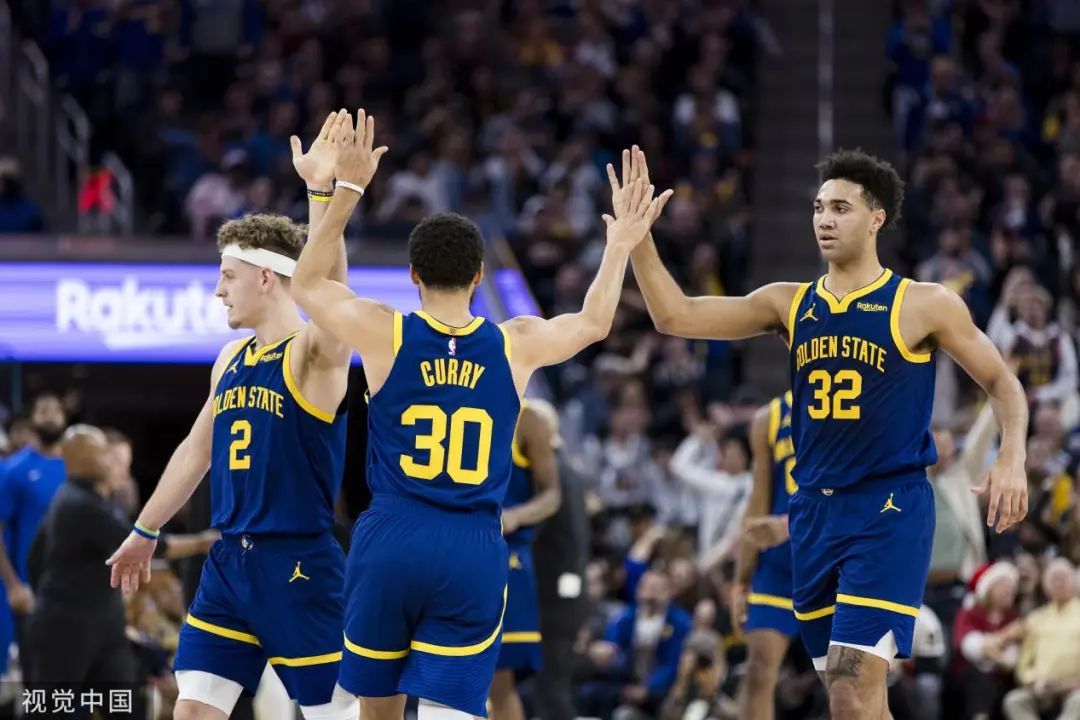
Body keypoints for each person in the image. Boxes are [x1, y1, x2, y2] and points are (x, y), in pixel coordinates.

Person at [288, 110, 672, 719]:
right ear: (479, 275)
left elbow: (308, 285)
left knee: (376, 710)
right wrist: (620, 242)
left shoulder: (386, 332)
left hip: (391, 537)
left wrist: (345, 190)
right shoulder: (515, 343)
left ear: (412, 275)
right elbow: (594, 322)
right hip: (471, 543)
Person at [625, 145, 1029, 719]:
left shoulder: (922, 304)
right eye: (818, 208)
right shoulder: (789, 303)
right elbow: (675, 316)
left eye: (840, 208)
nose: (824, 219)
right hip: (813, 511)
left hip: (887, 509)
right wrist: (638, 237)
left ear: (876, 218)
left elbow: (1002, 382)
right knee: (857, 700)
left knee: (850, 690)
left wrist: (1011, 457)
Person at [106, 111, 358, 720]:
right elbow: (197, 451)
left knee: (335, 716)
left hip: (298, 563)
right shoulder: (230, 359)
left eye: (227, 276)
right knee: (192, 710)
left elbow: (333, 299)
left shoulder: (311, 353)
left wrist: (322, 193)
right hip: (229, 563)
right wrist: (145, 529)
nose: (218, 291)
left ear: (267, 278)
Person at [25, 425, 215, 691]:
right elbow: (144, 545)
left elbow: (34, 557)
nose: (117, 467)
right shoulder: (78, 503)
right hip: (68, 623)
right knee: (57, 704)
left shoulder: (96, 500)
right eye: (107, 456)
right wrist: (202, 542)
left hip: (103, 620)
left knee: (124, 701)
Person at [489, 400, 563, 720]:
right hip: (453, 548)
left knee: (498, 680)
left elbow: (552, 495)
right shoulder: (447, 397)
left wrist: (517, 515)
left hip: (507, 556)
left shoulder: (528, 417)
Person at [731, 392, 799, 720]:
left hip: (835, 560)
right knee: (757, 670)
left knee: (846, 683)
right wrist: (740, 583)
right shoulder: (769, 417)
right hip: (780, 563)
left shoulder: (860, 400)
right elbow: (758, 500)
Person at [0, 392, 68, 675]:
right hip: (30, 588)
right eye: (43, 410)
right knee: (36, 675)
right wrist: (13, 585)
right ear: (32, 420)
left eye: (55, 410)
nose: (50, 416)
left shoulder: (77, 467)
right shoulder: (14, 470)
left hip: (72, 587)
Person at [1002, 558, 1080, 720]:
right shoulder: (1035, 619)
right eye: (1054, 579)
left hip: (1075, 686)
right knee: (1014, 700)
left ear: (1074, 582)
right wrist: (1034, 681)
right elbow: (1025, 662)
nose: (1058, 584)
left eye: (1063, 578)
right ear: (1046, 586)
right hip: (1042, 687)